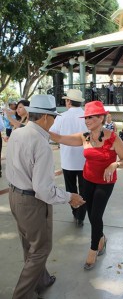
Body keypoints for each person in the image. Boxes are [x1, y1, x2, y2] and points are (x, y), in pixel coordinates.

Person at [6, 94, 85, 299]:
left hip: (15, 196)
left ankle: (41, 281)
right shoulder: (41, 144)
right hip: (32, 202)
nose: (54, 121)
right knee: (40, 249)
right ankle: (21, 295)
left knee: (29, 244)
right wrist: (69, 197)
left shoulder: (18, 133)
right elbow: (43, 189)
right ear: (44, 118)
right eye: (53, 117)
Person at [50, 100, 123, 271]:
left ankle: (93, 249)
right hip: (87, 179)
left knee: (95, 216)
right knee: (90, 214)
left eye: (91, 117)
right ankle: (101, 238)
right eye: (86, 118)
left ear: (101, 118)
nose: (87, 121)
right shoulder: (84, 137)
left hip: (105, 183)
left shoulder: (114, 138)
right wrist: (32, 125)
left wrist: (114, 164)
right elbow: (58, 138)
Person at [50, 89, 87, 227]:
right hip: (85, 160)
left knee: (71, 189)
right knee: (84, 189)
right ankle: (82, 216)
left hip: (68, 160)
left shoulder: (61, 117)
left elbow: (53, 134)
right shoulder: (86, 116)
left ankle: (75, 212)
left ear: (69, 101)